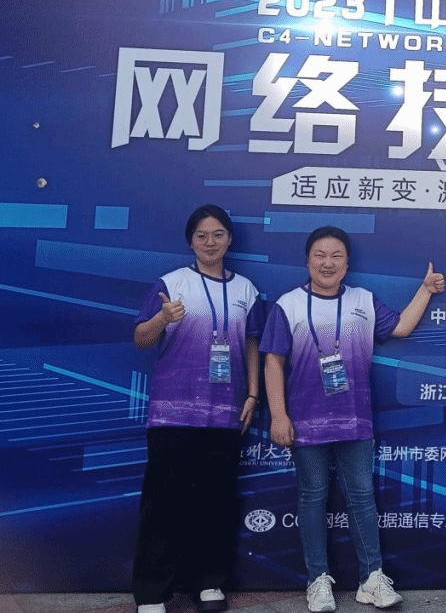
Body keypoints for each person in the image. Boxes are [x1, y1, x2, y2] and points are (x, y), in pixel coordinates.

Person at [260, 226, 445, 612]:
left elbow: (400, 327)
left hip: (355, 419)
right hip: (306, 420)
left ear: (347, 263)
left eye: (336, 256)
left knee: (361, 497)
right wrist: (278, 415)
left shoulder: (363, 300)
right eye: (320, 255)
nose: (327, 263)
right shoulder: (288, 304)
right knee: (313, 497)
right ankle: (317, 580)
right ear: (307, 260)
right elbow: (273, 361)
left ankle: (371, 579)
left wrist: (425, 290)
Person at [131, 205, 263, 613]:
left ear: (230, 239)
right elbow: (140, 338)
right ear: (191, 241)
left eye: (218, 234)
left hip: (225, 414)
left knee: (216, 503)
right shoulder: (172, 283)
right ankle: (152, 594)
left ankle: (209, 583)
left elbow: (252, 343)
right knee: (164, 504)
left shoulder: (246, 290)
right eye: (202, 235)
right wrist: (161, 318)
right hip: (172, 413)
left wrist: (253, 394)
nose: (210, 242)